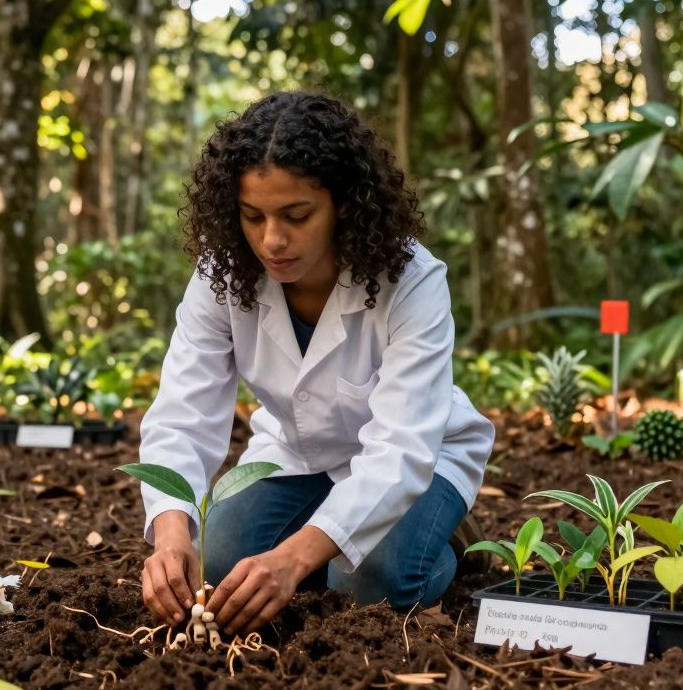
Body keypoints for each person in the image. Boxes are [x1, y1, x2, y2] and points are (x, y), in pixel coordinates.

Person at [135, 90, 495, 637]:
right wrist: (171, 533)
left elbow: (399, 450)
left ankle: (444, 541)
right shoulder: (222, 276)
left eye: (296, 215)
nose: (271, 240)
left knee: (368, 586)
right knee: (211, 567)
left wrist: (291, 561)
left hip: (422, 458)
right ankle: (328, 539)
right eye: (252, 216)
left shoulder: (412, 281)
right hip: (300, 456)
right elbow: (183, 415)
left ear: (344, 202)